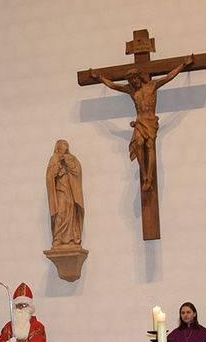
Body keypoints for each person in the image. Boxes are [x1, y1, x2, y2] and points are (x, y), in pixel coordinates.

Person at [90, 55, 193, 192]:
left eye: (135, 79)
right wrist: (99, 78)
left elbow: (168, 77)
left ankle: (149, 177)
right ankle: (144, 174)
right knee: (139, 143)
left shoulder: (152, 85)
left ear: (140, 77)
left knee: (150, 146)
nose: (134, 82)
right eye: (131, 81)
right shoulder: (132, 91)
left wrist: (183, 65)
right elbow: (114, 86)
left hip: (150, 121)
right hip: (140, 122)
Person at [46, 139, 85, 248]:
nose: (64, 149)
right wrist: (57, 166)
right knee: (61, 212)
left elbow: (77, 171)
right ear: (57, 148)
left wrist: (67, 163)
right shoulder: (54, 159)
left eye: (65, 148)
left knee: (71, 213)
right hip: (60, 191)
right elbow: (49, 176)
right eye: (62, 148)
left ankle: (72, 237)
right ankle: (58, 238)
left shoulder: (72, 159)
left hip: (70, 192)